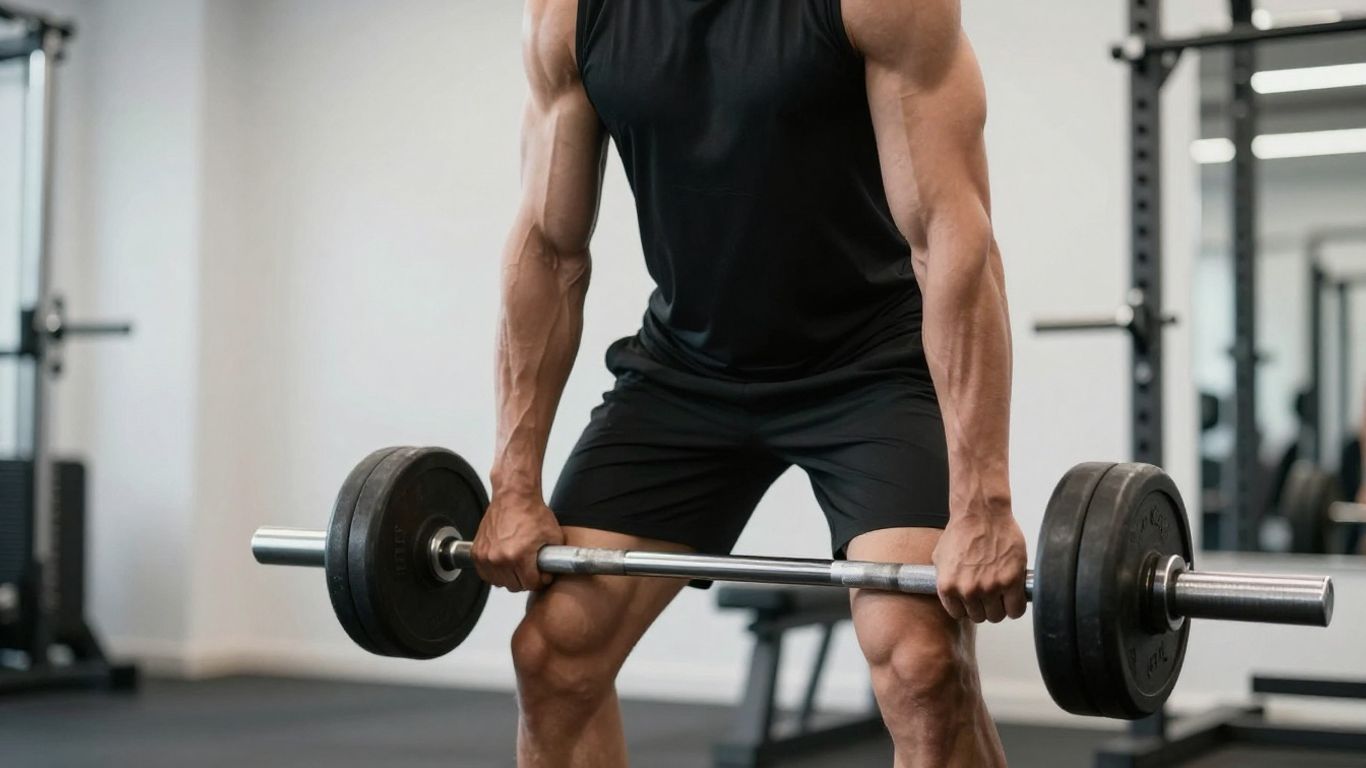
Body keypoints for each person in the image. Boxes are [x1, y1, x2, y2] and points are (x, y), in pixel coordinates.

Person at [472, 1, 1026, 765]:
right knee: (553, 654)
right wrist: (513, 484)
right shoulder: (570, 13)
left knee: (921, 666)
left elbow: (951, 240)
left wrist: (982, 502)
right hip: (685, 371)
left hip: (868, 367)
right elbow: (547, 249)